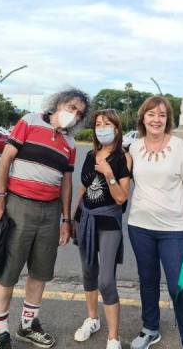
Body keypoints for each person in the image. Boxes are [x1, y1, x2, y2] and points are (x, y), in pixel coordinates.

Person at [0, 89, 90, 349]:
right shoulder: (30, 121)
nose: (74, 114)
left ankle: (28, 324)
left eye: (79, 113)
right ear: (58, 104)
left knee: (40, 272)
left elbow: (66, 182)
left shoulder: (70, 143)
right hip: (18, 206)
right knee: (8, 271)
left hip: (50, 211)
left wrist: (66, 219)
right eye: (71, 107)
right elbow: (5, 159)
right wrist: (0, 196)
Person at [127, 96, 183, 349]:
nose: (156, 119)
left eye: (161, 115)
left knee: (179, 287)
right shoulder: (134, 148)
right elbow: (120, 179)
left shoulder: (180, 147)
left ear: (167, 119)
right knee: (147, 281)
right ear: (143, 118)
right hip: (139, 226)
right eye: (151, 114)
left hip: (174, 229)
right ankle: (150, 329)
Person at [72, 109, 132, 349]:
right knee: (88, 272)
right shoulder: (90, 154)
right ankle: (92, 319)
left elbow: (121, 198)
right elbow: (83, 188)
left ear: (117, 128)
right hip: (85, 219)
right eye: (98, 124)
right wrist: (70, 219)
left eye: (107, 124)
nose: (102, 128)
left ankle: (113, 336)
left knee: (106, 280)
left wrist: (108, 173)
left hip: (108, 222)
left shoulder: (122, 158)